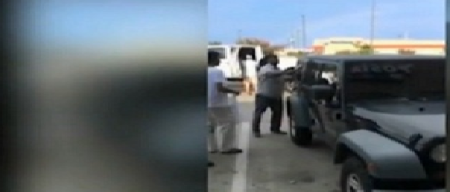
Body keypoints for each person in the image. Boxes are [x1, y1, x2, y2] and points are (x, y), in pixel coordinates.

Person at [208, 51, 243, 154]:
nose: (220, 60)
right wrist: (234, 91)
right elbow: (220, 88)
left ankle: (211, 147)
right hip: (217, 102)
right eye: (218, 58)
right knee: (228, 123)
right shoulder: (217, 71)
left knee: (209, 125)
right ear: (213, 59)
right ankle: (226, 147)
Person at [251, 54, 287, 137]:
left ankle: (275, 128)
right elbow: (270, 74)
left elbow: (282, 78)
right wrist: (284, 72)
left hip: (276, 95)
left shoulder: (277, 69)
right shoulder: (265, 68)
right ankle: (256, 130)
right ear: (268, 60)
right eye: (274, 58)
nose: (277, 59)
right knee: (259, 113)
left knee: (277, 113)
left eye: (276, 58)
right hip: (264, 95)